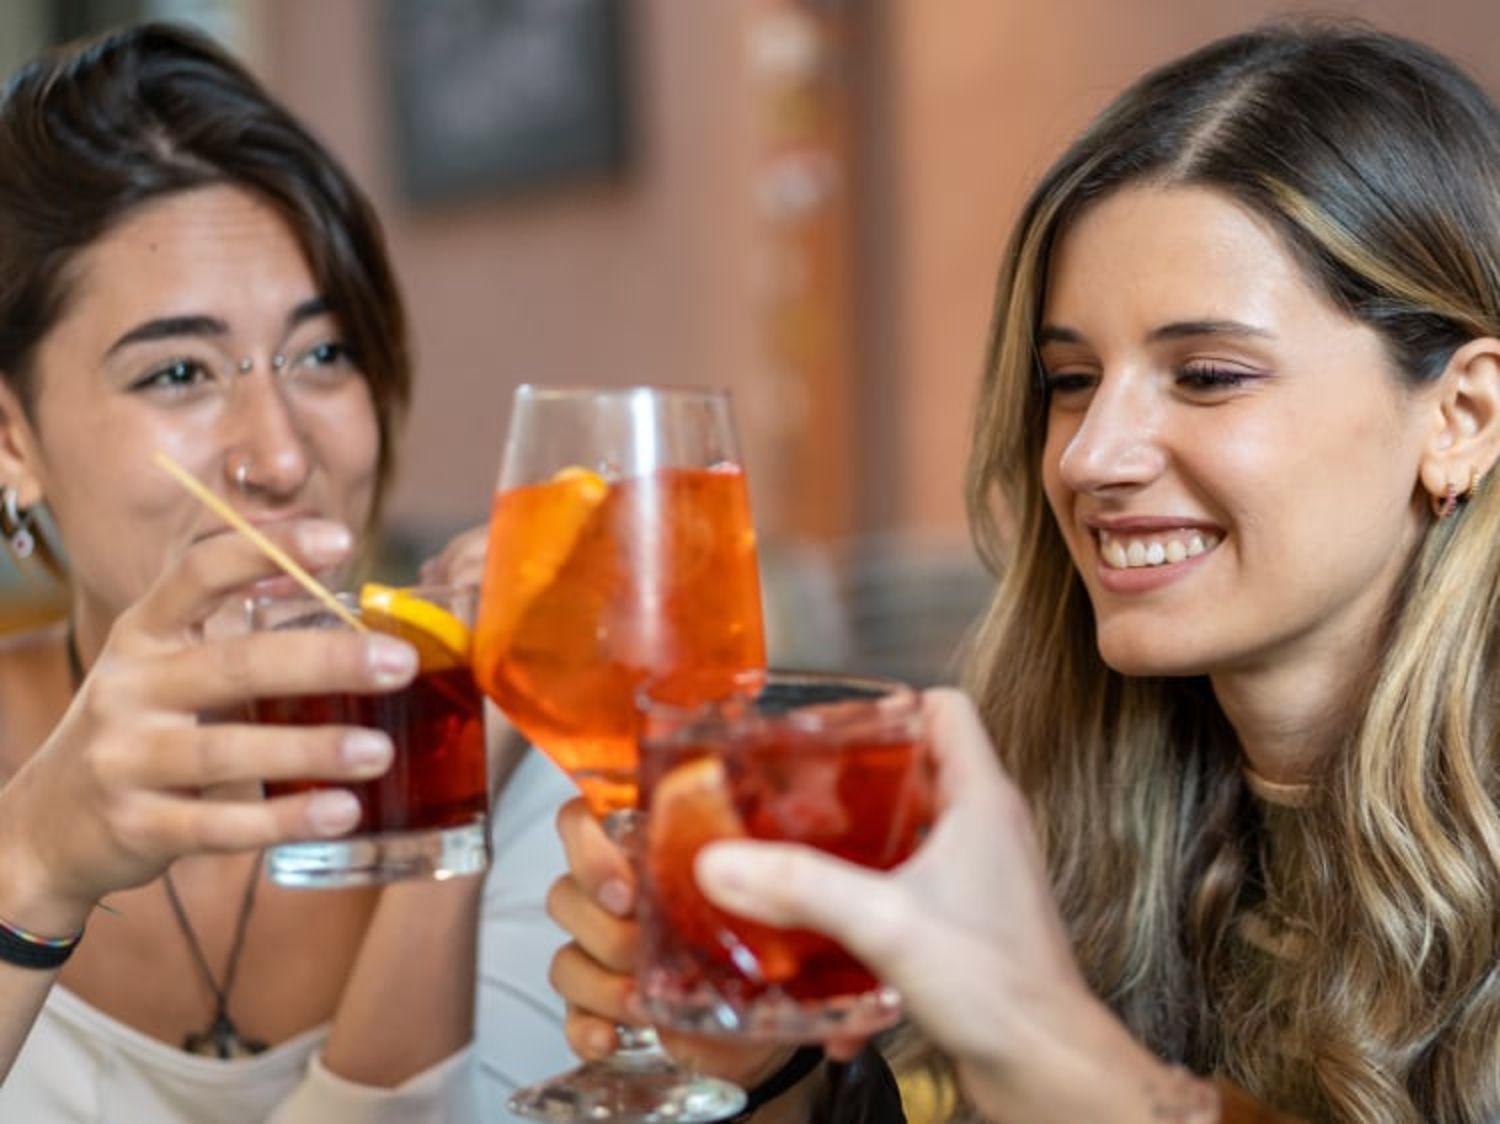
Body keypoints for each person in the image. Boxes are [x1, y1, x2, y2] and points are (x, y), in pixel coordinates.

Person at [546, 21, 1500, 1123]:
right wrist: (766, 1067)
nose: (1091, 455)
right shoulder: (1058, 803)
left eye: (1207, 375)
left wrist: (1054, 1046)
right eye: (1071, 379)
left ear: (1463, 416)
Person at [0, 22, 574, 1122]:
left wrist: (448, 798)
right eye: (178, 370)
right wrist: (31, 866)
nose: (281, 455)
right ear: (12, 438)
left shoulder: (535, 760)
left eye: (322, 353)